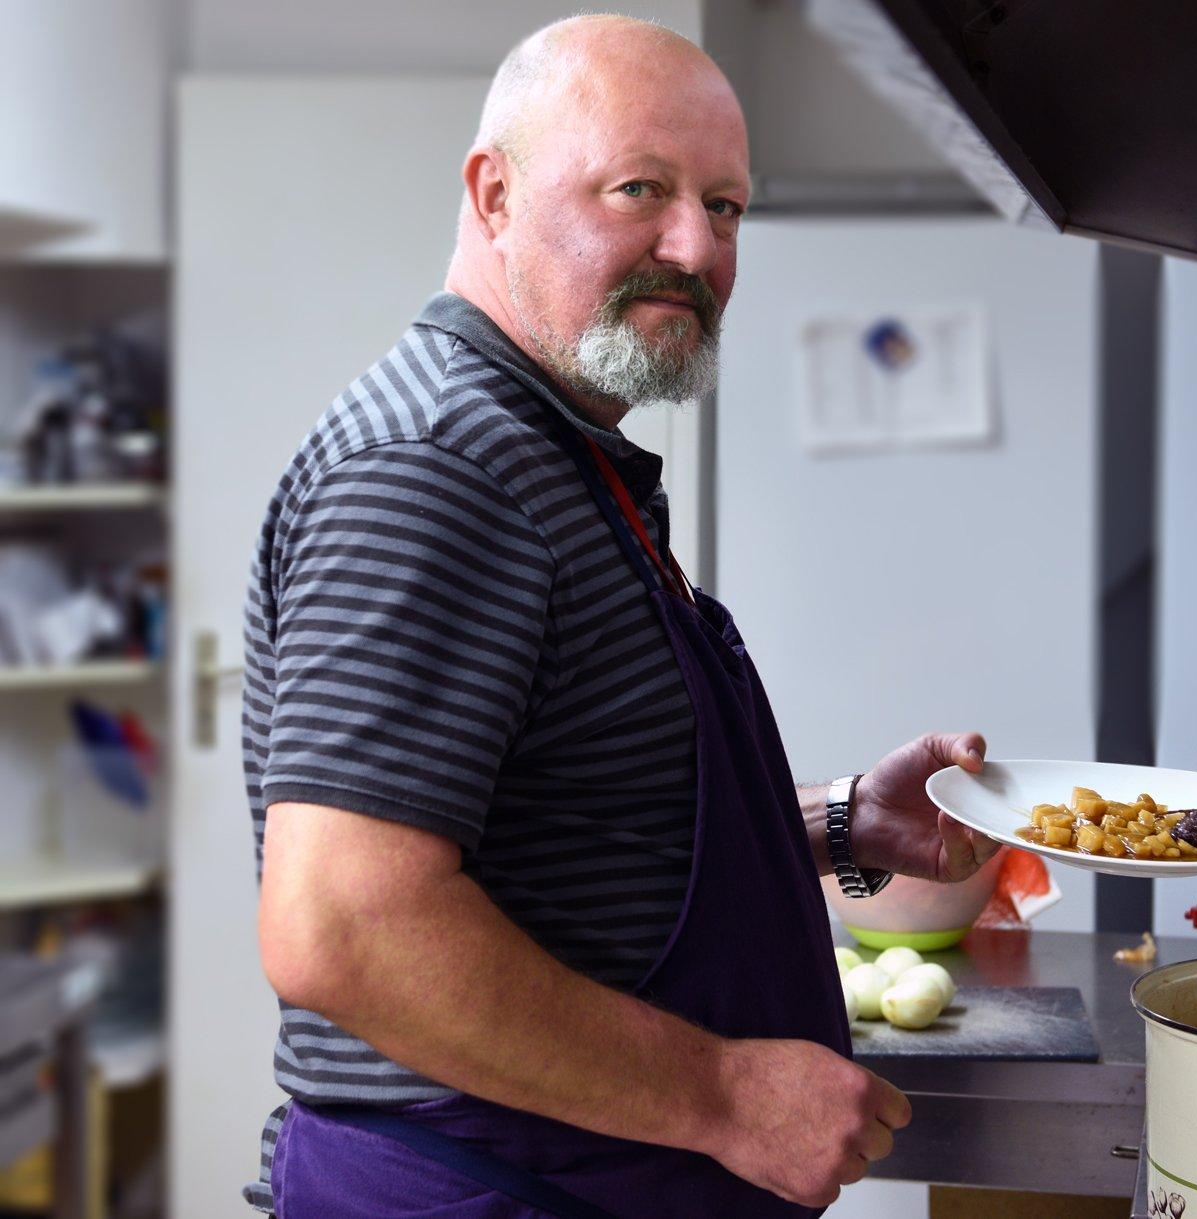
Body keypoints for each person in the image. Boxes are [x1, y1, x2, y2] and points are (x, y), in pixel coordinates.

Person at [241, 15, 999, 1217]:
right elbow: (346, 925)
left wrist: (837, 824)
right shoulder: (442, 468)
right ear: (493, 195)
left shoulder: (554, 456)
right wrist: (725, 1094)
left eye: (729, 206)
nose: (694, 245)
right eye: (639, 188)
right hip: (490, 1188)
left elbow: (553, 820)